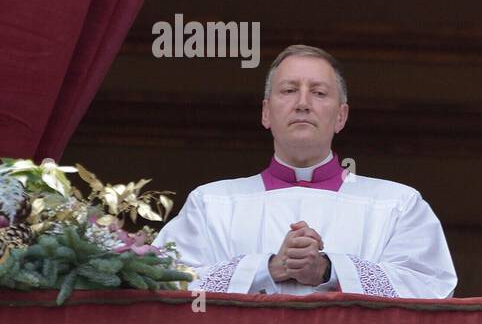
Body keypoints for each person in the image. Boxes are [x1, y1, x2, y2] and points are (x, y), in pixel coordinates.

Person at [156, 45, 456, 298]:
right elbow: (165, 281)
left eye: (319, 93)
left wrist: (329, 269)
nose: (302, 103)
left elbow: (430, 287)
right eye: (288, 90)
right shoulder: (211, 202)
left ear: (341, 116)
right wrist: (269, 267)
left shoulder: (398, 204)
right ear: (265, 113)